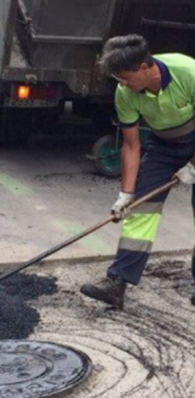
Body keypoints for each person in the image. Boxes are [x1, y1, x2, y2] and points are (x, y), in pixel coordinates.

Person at [80, 34, 195, 309]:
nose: (123, 85)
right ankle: (117, 283)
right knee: (141, 210)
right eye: (119, 80)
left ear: (144, 67)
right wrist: (126, 194)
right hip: (164, 146)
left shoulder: (188, 73)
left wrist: (192, 165)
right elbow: (131, 145)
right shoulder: (125, 94)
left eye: (125, 78)